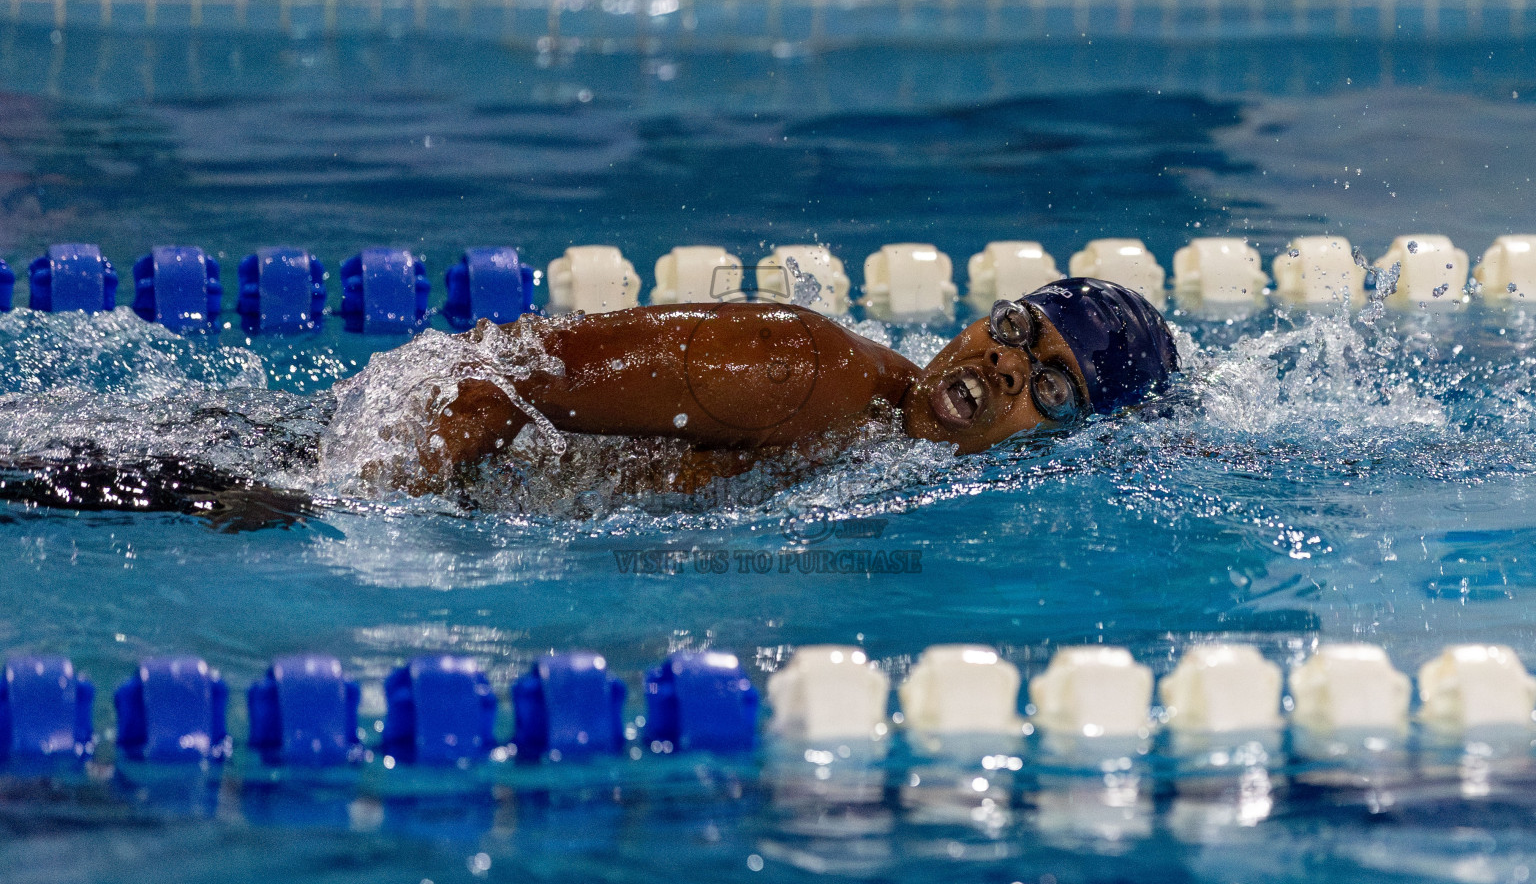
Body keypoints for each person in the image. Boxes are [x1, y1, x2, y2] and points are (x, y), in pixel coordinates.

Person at [415, 277, 1178, 489]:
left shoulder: (891, 459)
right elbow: (493, 375)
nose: (1009, 364)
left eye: (1052, 388)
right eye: (1016, 331)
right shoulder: (803, 368)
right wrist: (366, 503)